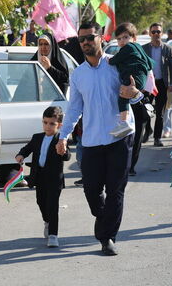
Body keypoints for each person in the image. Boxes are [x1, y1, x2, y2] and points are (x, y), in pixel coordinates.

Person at [56, 22, 141, 256]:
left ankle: (107, 237)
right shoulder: (79, 74)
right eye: (81, 39)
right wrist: (63, 137)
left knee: (116, 190)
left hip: (120, 136)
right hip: (92, 140)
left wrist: (135, 94)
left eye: (89, 37)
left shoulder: (117, 64)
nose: (85, 42)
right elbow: (74, 109)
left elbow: (136, 91)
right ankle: (103, 217)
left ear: (100, 38)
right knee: (92, 190)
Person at [15, 106, 70, 247]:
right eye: (45, 122)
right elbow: (27, 148)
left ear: (59, 125)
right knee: (41, 202)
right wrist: (21, 155)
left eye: (52, 123)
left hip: (54, 179)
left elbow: (67, 156)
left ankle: (53, 235)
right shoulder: (37, 137)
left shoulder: (60, 139)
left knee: (53, 206)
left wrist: (63, 152)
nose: (48, 126)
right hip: (39, 177)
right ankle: (47, 221)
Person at [108, 22, 153, 138]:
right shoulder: (138, 48)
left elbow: (114, 60)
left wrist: (108, 60)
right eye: (119, 38)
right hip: (140, 79)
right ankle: (125, 121)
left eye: (126, 37)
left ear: (134, 38)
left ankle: (124, 122)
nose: (122, 41)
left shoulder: (128, 47)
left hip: (134, 79)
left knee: (122, 96)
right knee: (126, 97)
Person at [142, 23, 172, 147]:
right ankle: (147, 131)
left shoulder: (167, 48)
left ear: (162, 34)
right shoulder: (144, 48)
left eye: (158, 32)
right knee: (145, 111)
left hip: (162, 83)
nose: (156, 34)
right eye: (153, 32)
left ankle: (157, 138)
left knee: (160, 113)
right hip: (148, 84)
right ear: (150, 33)